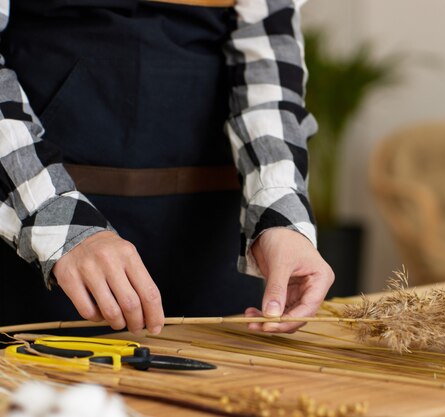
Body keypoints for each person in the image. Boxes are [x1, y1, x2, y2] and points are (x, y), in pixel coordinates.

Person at [0, 0, 334, 335]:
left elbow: (268, 54)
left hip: (214, 242)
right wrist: (55, 219)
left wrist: (281, 219)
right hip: (47, 246)